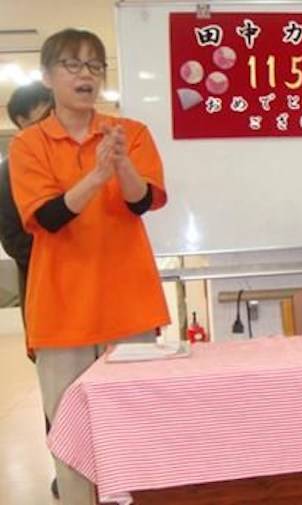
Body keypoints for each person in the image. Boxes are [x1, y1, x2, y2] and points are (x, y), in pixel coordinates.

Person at [9, 28, 170, 505]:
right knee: (71, 436)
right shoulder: (29, 145)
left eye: (95, 66)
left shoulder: (130, 134)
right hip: (62, 313)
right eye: (72, 65)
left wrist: (118, 166)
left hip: (131, 306)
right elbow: (49, 217)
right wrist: (96, 174)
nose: (86, 76)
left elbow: (141, 201)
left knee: (135, 425)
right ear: (47, 76)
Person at [0, 81, 60, 498]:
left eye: (50, 115)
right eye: (36, 121)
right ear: (21, 126)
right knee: (57, 390)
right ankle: (67, 469)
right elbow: (15, 241)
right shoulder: (7, 172)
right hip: (46, 296)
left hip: (103, 296)